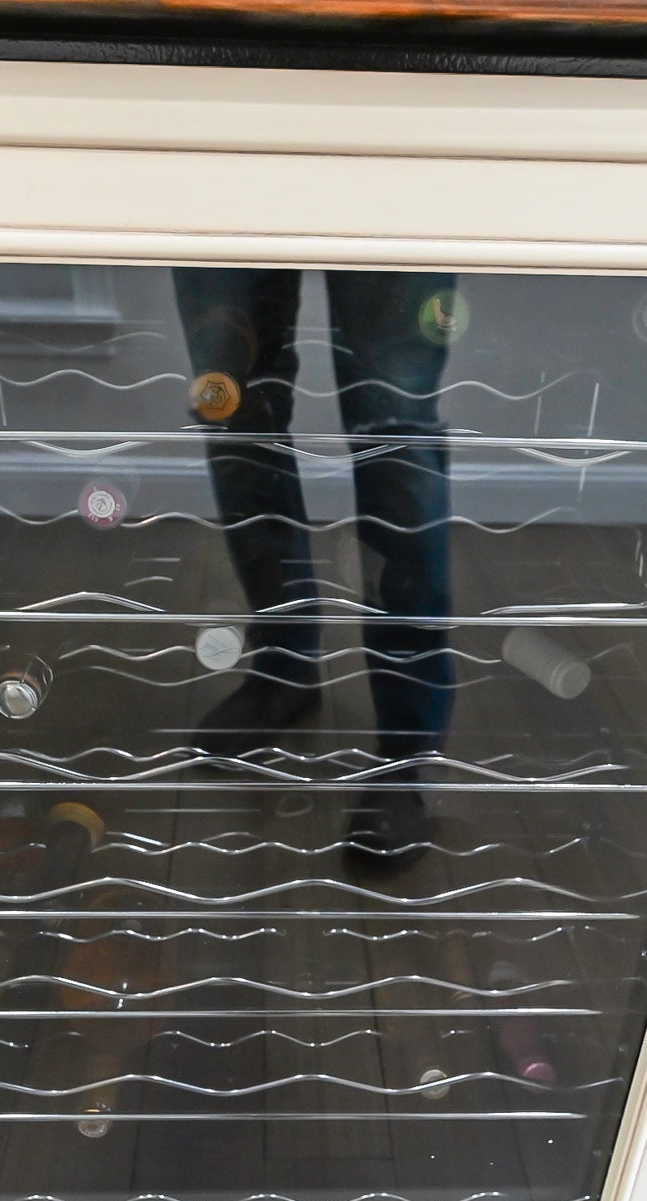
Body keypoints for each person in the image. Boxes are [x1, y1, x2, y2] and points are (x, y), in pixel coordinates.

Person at [173, 267, 458, 867]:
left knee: (395, 424)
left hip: (393, 171)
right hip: (225, 173)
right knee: (233, 408)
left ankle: (409, 754)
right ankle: (284, 668)